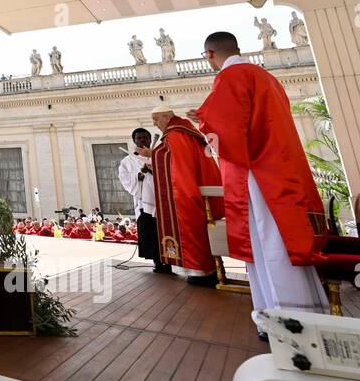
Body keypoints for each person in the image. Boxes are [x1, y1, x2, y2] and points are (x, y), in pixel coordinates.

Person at [190, 31, 328, 323]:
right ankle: (299, 310)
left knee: (269, 239)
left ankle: (286, 318)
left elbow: (228, 128)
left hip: (258, 172)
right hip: (280, 167)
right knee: (280, 236)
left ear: (210, 54)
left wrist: (203, 120)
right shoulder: (266, 77)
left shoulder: (230, 77)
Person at [149, 105, 219, 286]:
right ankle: (210, 269)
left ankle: (200, 272)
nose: (155, 124)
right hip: (201, 188)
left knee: (191, 229)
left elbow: (177, 166)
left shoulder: (175, 135)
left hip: (186, 191)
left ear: (166, 117)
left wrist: (152, 156)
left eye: (156, 120)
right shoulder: (186, 130)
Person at [118, 128, 168, 273]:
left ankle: (169, 261)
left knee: (164, 233)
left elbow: (168, 173)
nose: (143, 140)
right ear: (134, 141)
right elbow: (125, 180)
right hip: (144, 202)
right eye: (139, 138)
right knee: (152, 235)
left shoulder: (157, 157)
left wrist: (153, 170)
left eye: (146, 138)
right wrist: (139, 175)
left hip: (161, 201)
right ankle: (158, 263)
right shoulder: (127, 161)